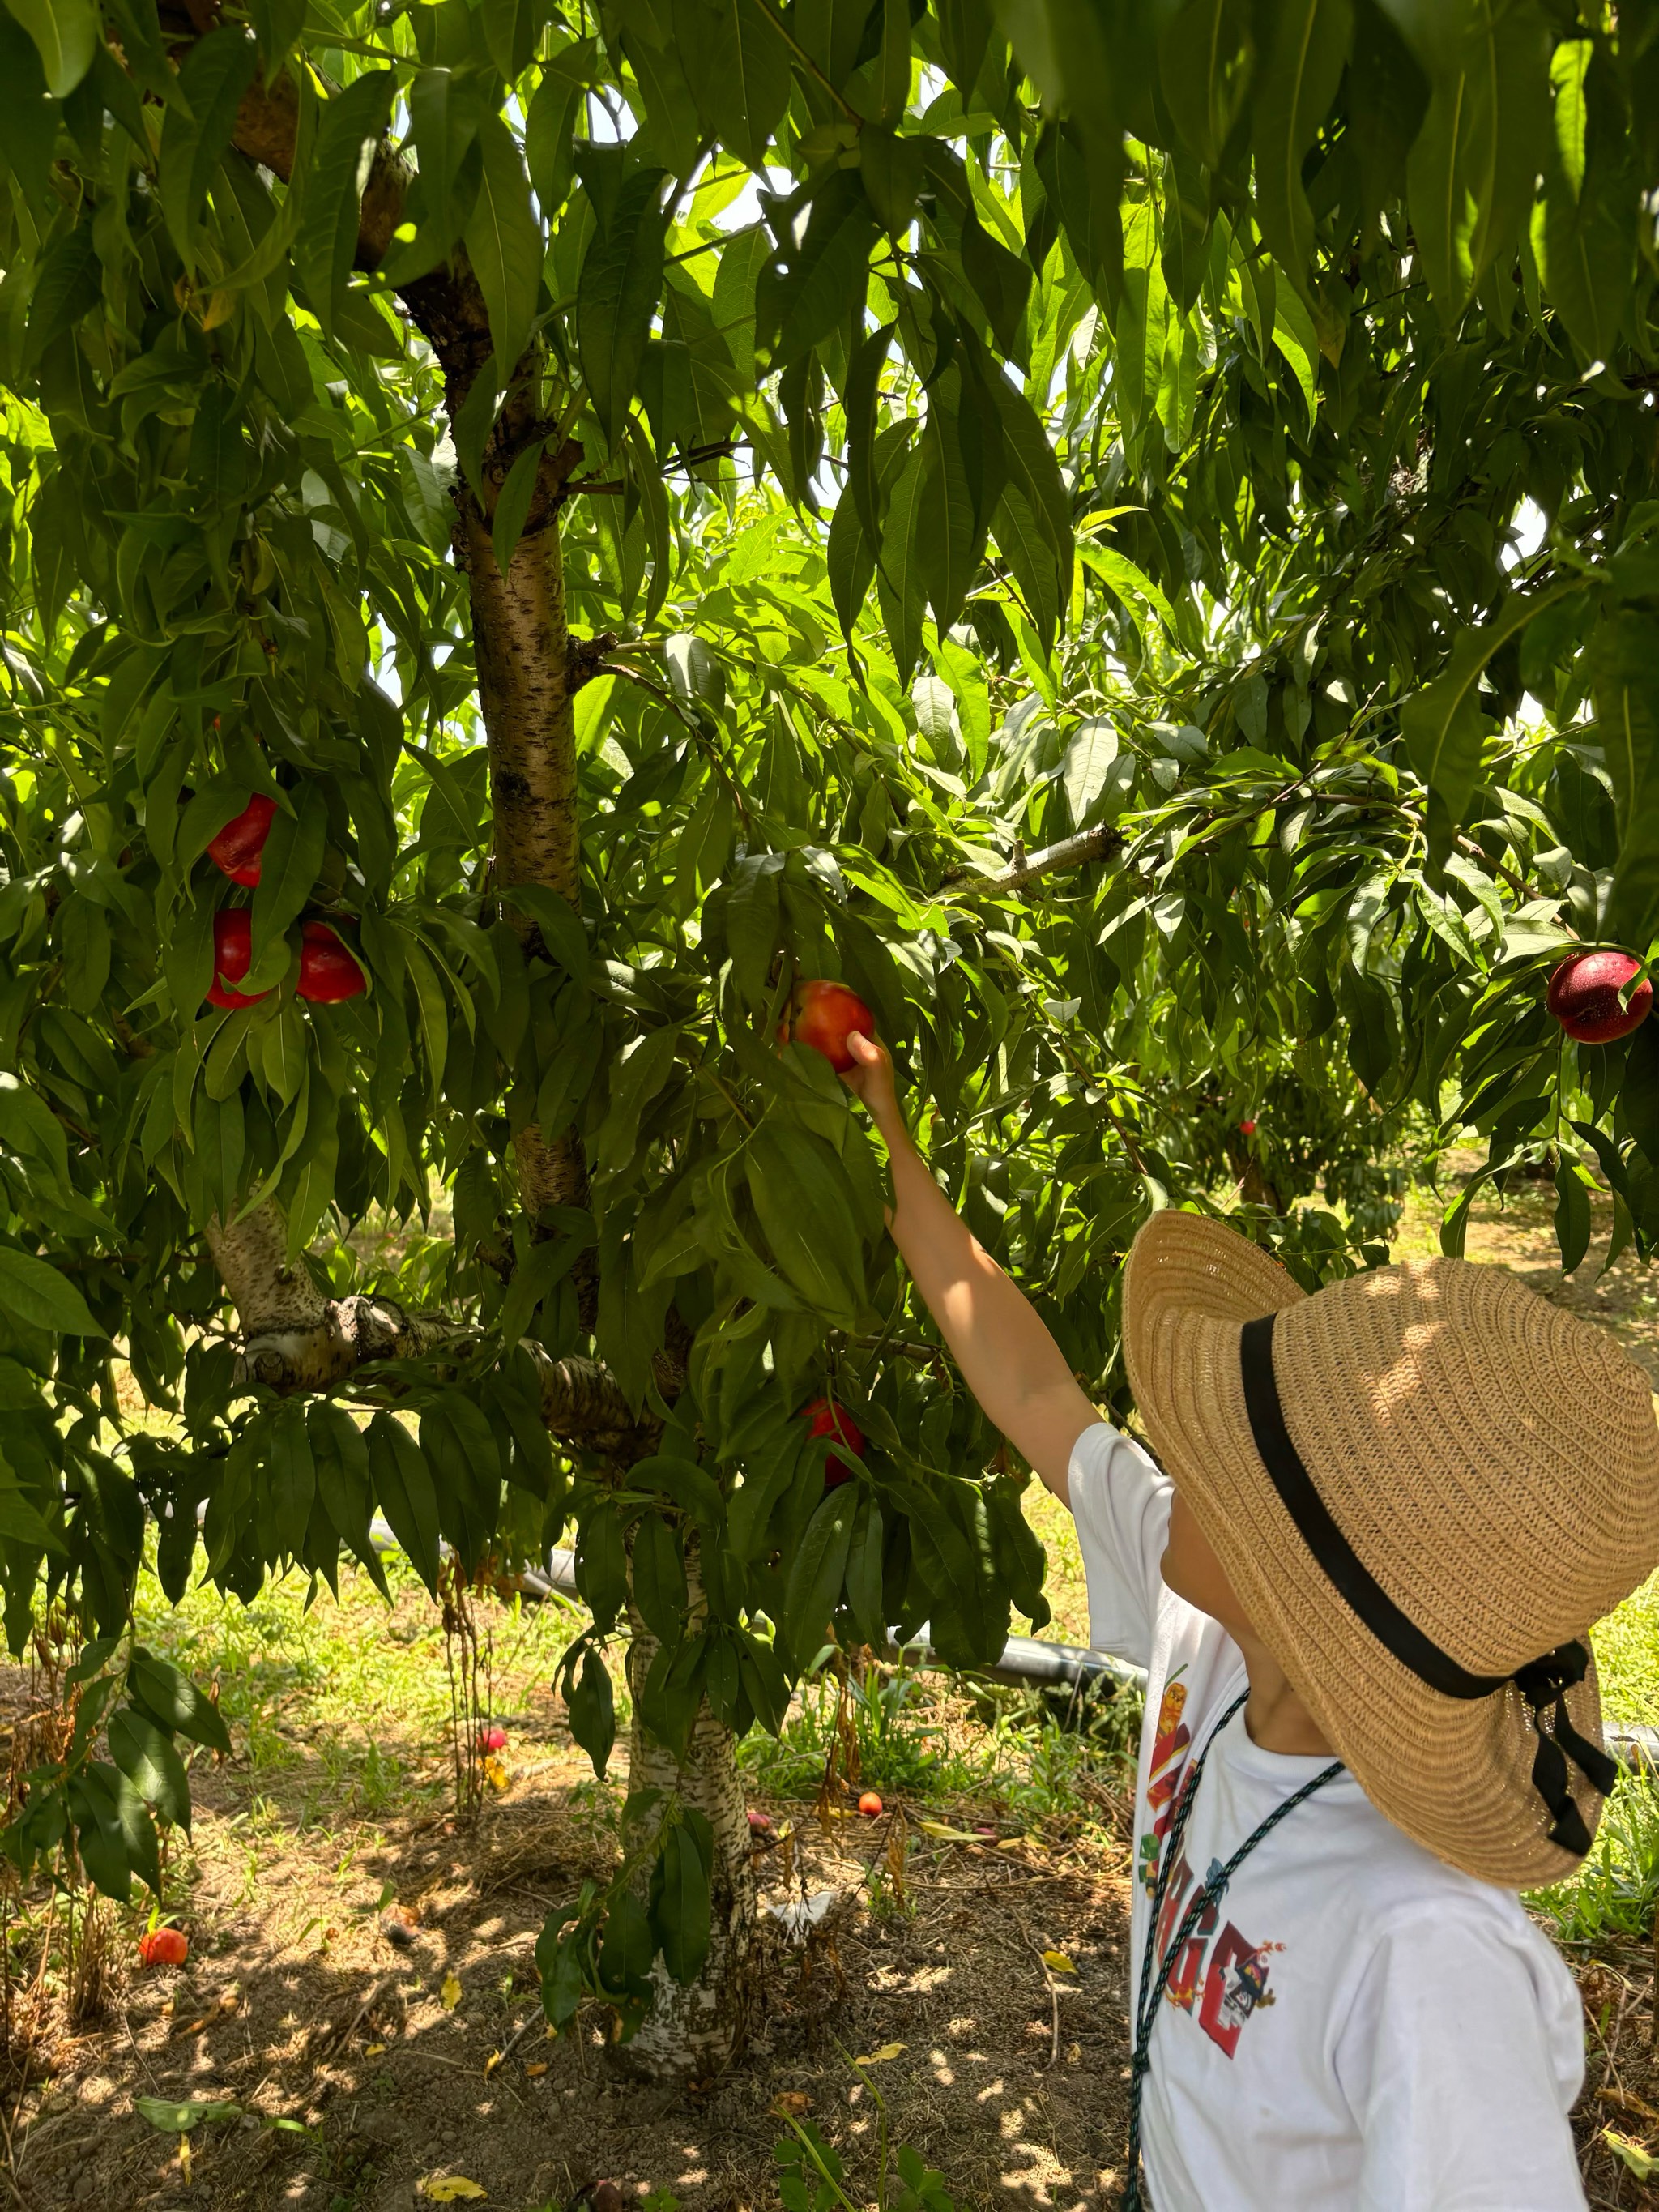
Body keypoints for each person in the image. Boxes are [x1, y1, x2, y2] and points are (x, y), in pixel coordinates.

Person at [841, 1027, 1659, 2212]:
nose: (1178, 1447)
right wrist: (889, 1136)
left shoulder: (1422, 1950)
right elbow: (1030, 1386)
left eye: (1225, 1456)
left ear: (1307, 1592)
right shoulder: (1216, 1634)